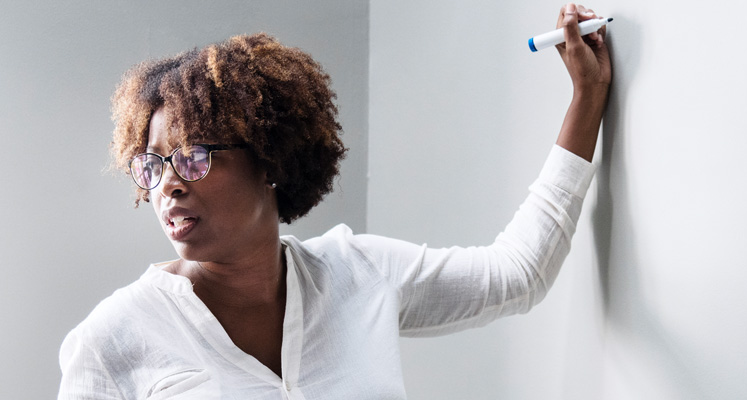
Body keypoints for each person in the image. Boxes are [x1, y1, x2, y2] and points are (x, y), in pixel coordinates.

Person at [58, 3, 611, 398]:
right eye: (152, 165)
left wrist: (586, 100)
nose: (168, 184)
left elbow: (517, 275)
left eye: (193, 155)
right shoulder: (113, 340)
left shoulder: (360, 273)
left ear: (269, 159)